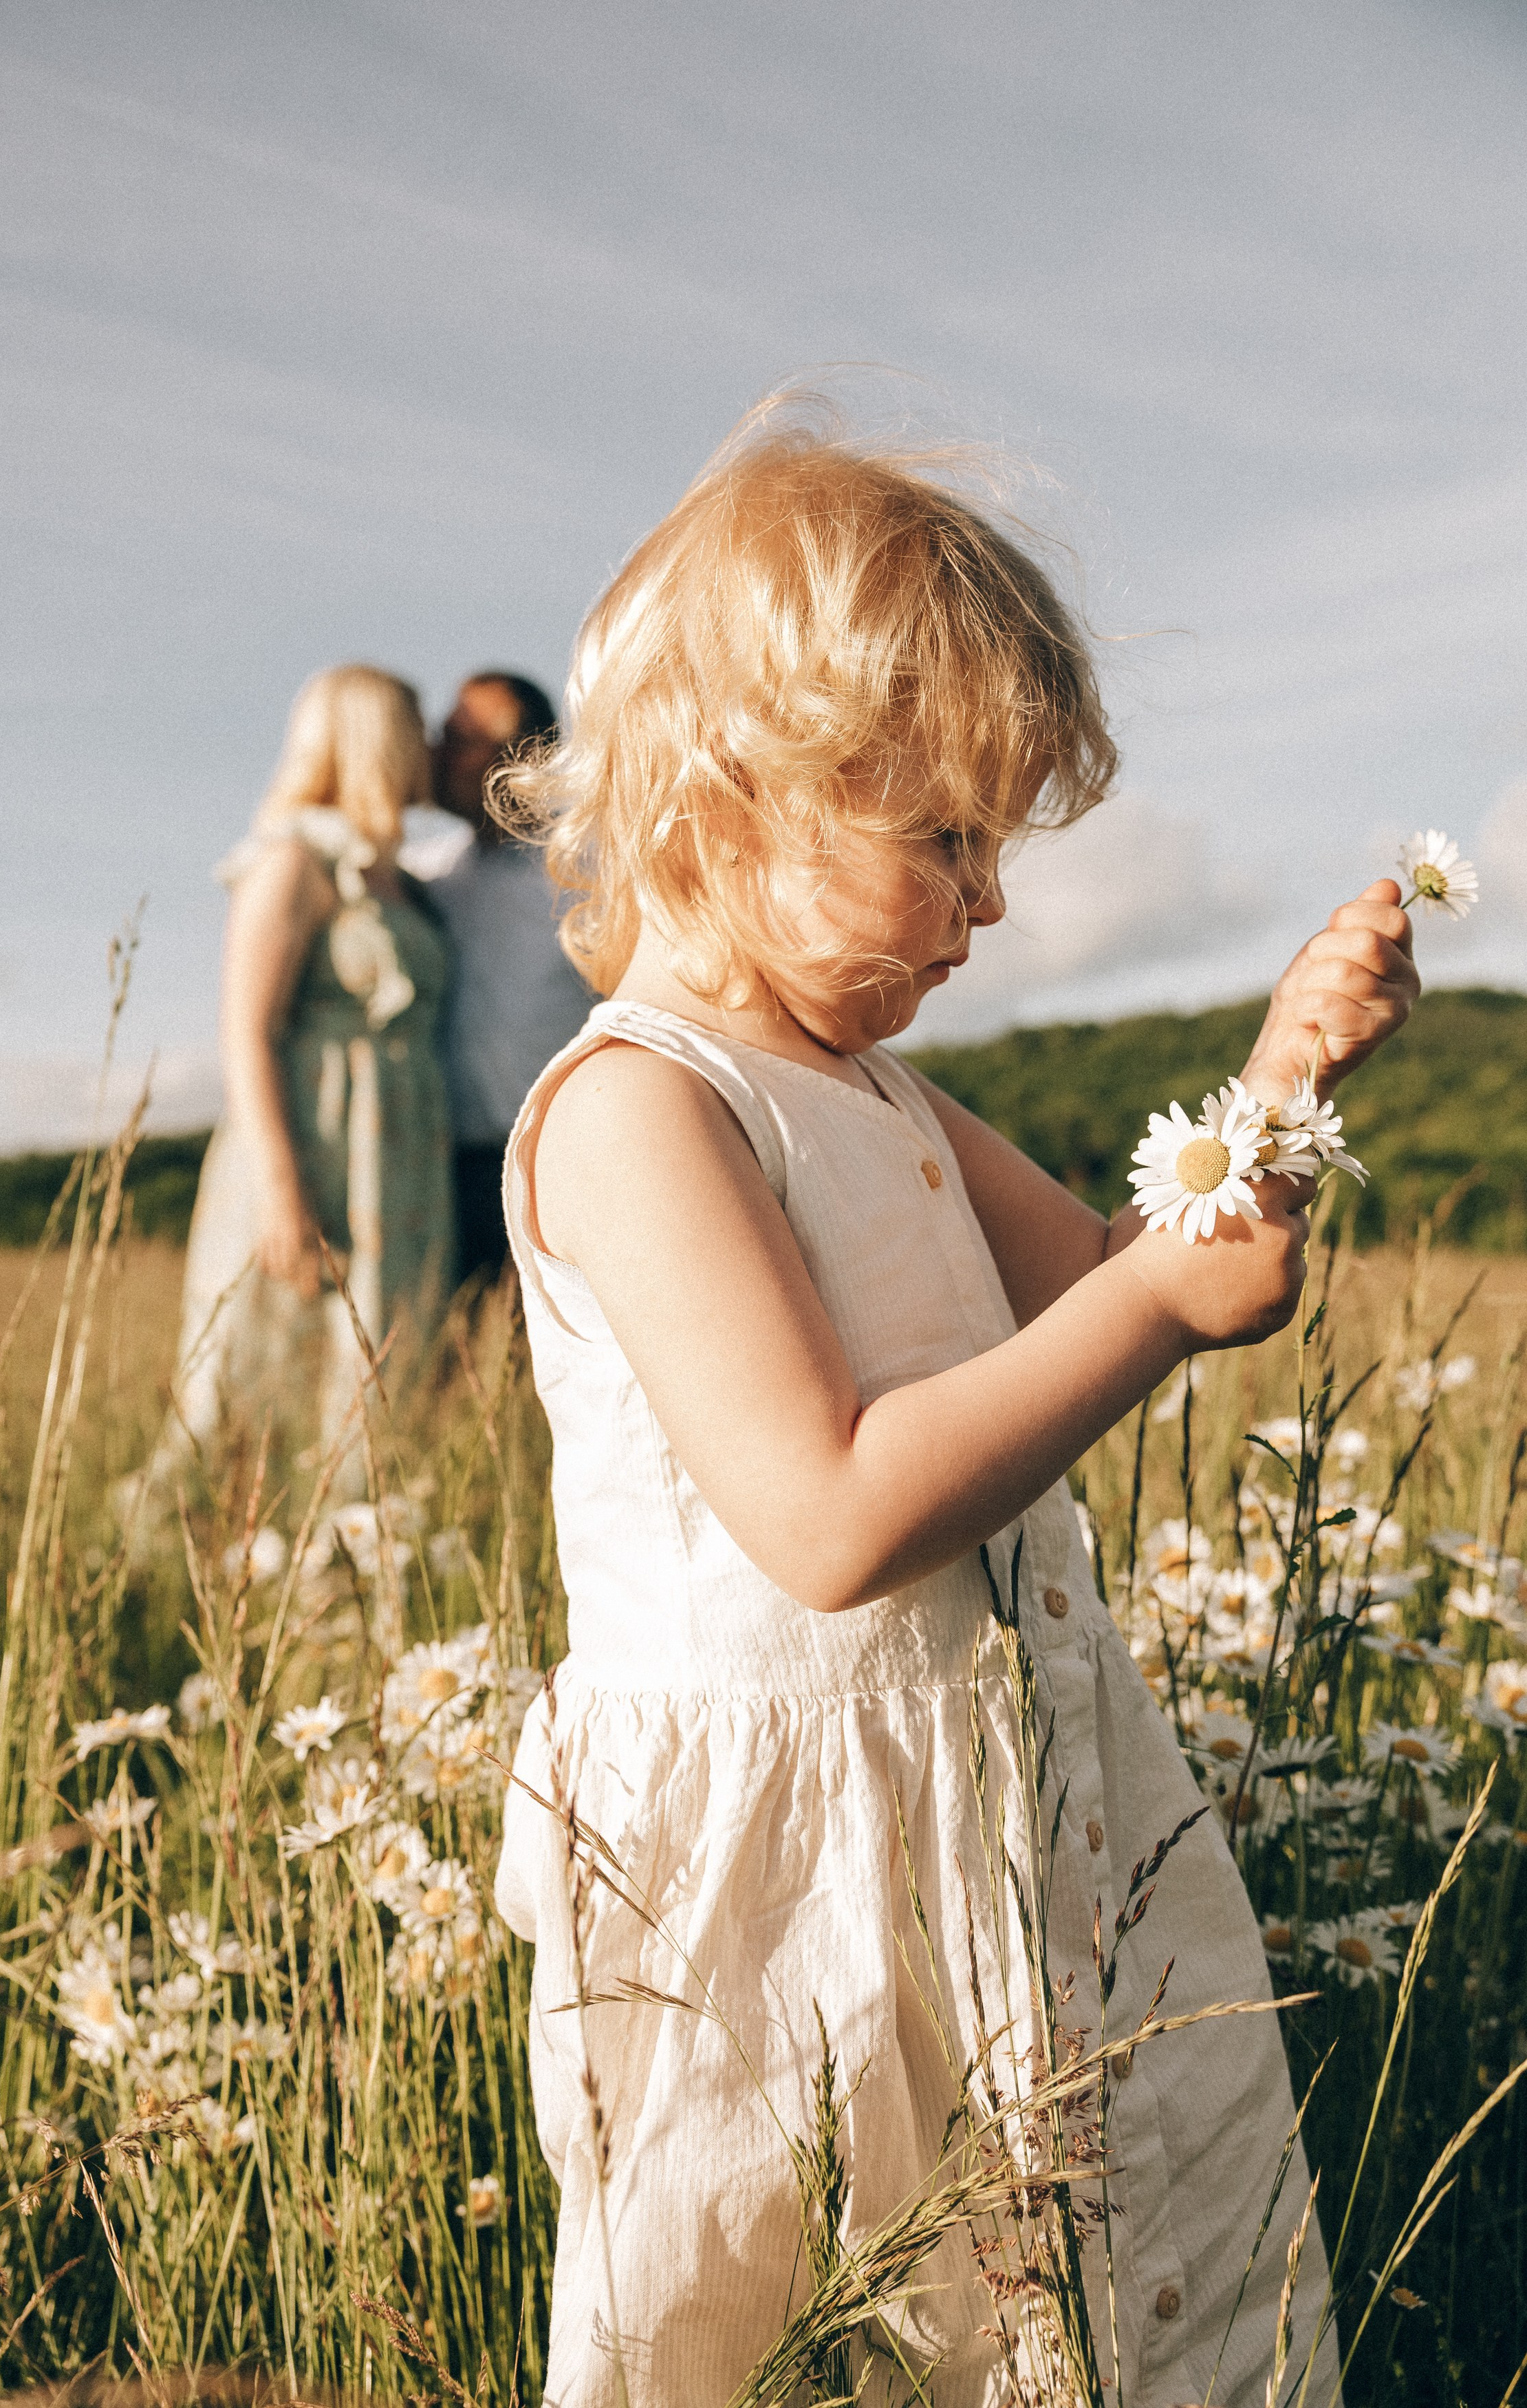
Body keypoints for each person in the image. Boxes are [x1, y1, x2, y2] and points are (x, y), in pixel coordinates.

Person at [489, 415, 1419, 2406]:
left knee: (1079, 2299)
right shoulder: (643, 1108)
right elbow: (821, 1517)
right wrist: (1165, 1307)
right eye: (946, 840)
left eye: (996, 849)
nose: (988, 904)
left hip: (998, 1797)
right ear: (730, 794)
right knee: (832, 2320)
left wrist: (1273, 1081)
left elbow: (1098, 1268)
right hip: (791, 1878)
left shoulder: (886, 1095)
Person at [164, 665, 451, 1492]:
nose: (431, 745)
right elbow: (246, 1031)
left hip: (398, 1159)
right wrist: (281, 1191)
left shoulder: (403, 879)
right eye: (416, 725)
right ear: (377, 740)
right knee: (247, 1366)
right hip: (312, 1142)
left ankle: (345, 1557)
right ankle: (195, 1561)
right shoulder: (291, 861)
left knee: (370, 1370)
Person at [418, 671, 589, 1285]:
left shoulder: (593, 869)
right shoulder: (432, 880)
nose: (435, 754)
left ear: (521, 759)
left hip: (568, 1168)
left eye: (458, 738)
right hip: (453, 1177)